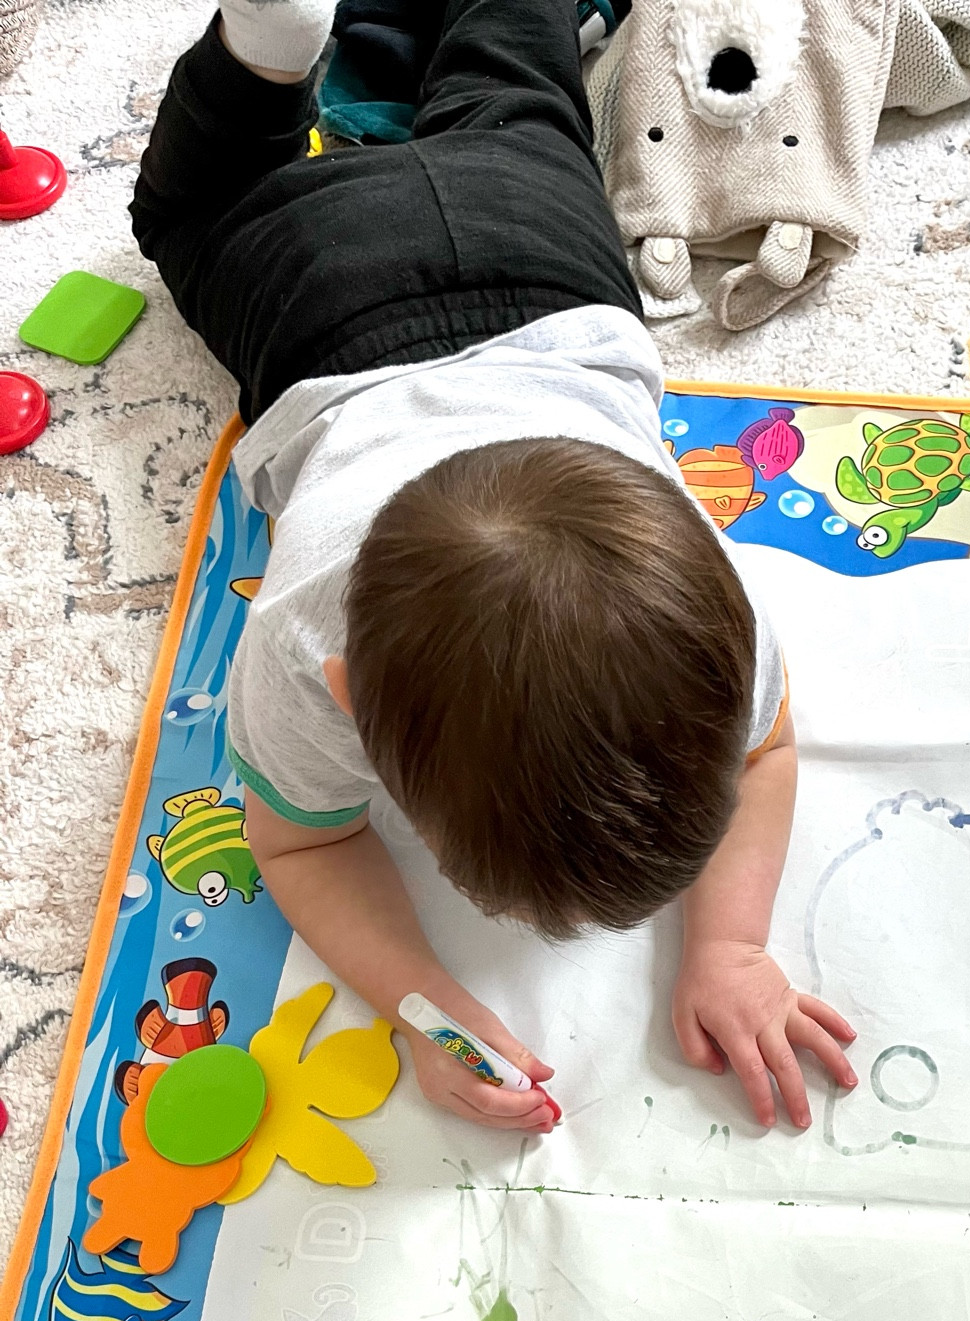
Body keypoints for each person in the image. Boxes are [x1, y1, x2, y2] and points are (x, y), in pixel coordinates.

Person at [130, 0, 858, 1136]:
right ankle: (259, 65)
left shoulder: (720, 616)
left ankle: (337, 40)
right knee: (189, 211)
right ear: (344, 695)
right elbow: (300, 842)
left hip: (540, 261)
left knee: (520, 84)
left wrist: (728, 947)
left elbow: (760, 753)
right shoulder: (300, 643)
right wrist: (423, 1007)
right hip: (327, 289)